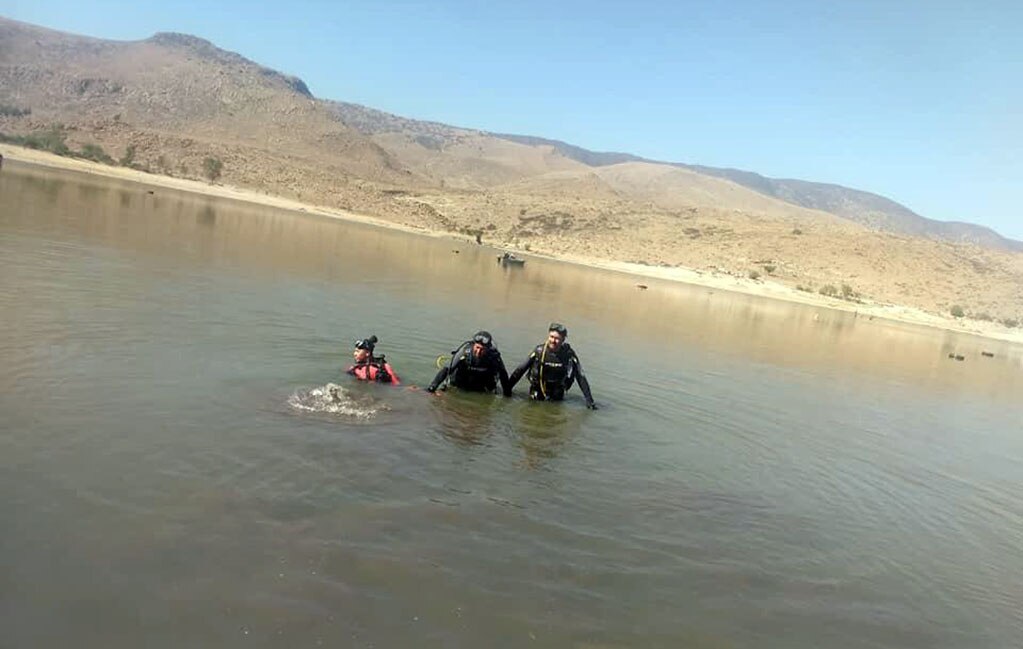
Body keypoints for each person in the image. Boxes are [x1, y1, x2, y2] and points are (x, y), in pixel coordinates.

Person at [508, 323, 597, 409]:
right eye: (551, 337)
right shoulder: (539, 351)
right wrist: (507, 389)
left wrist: (589, 401)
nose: (553, 341)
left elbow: (580, 376)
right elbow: (521, 369)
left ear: (563, 339)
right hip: (536, 395)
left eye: (557, 338)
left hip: (557, 398)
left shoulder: (568, 354)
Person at [427, 330, 512, 395]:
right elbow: (447, 369)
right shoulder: (465, 351)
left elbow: (503, 375)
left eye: (482, 349)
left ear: (488, 348)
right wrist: (432, 388)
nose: (478, 351)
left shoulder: (494, 356)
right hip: (461, 385)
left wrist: (507, 395)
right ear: (473, 345)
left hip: (481, 389)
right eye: (477, 348)